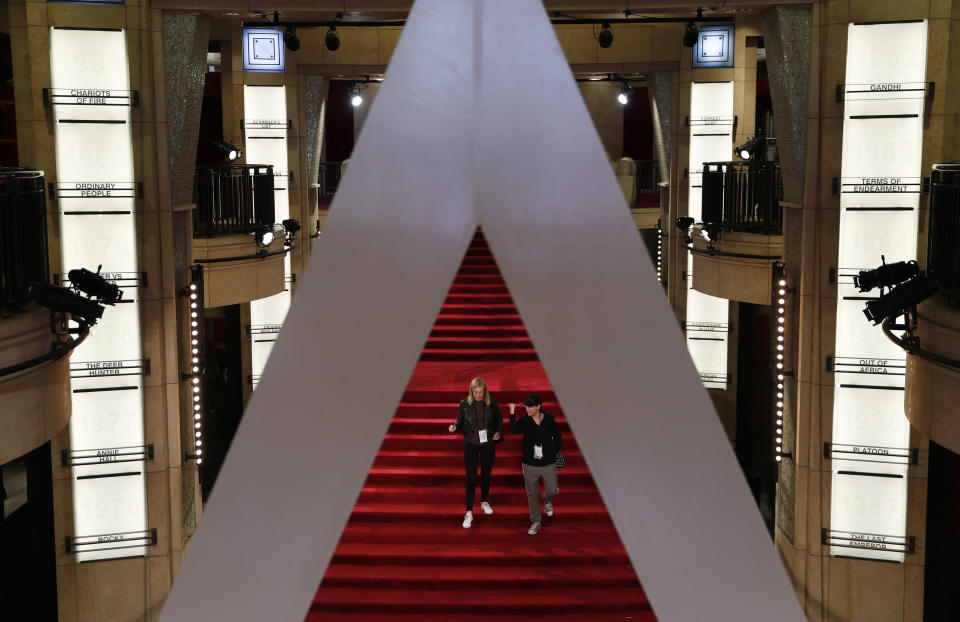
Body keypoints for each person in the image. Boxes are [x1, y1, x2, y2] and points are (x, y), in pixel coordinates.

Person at [448, 377, 503, 528]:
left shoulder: (491, 402)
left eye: (481, 392)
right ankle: (469, 512)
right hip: (471, 443)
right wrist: (454, 427)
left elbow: (499, 419)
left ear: (485, 390)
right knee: (471, 477)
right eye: (475, 392)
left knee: (486, 474)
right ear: (471, 391)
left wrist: (498, 432)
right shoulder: (465, 403)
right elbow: (460, 421)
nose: (478, 395)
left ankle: (484, 501)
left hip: (488, 443)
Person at [509, 394, 561, 535]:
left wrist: (553, 451)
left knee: (552, 490)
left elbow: (557, 436)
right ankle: (536, 521)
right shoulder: (525, 420)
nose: (528, 409)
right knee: (532, 494)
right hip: (530, 463)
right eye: (526, 406)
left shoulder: (549, 419)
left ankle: (546, 499)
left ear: (538, 406)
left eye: (531, 406)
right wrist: (512, 412)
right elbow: (514, 430)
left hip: (548, 462)